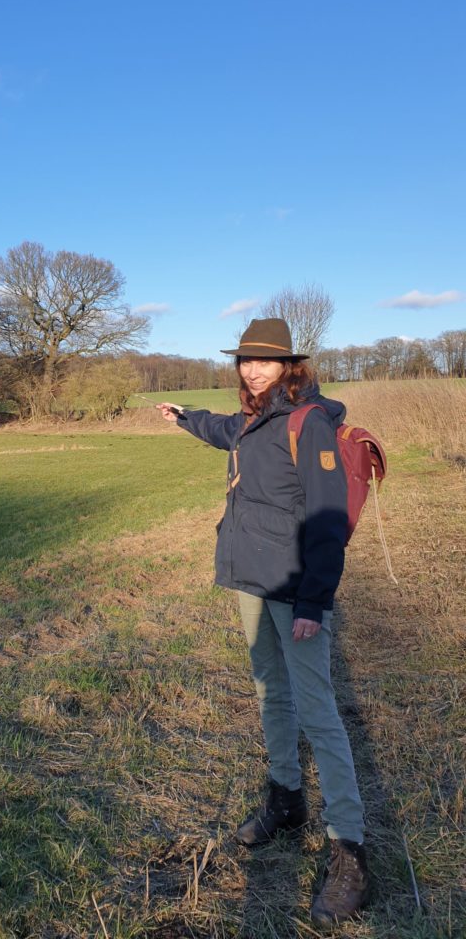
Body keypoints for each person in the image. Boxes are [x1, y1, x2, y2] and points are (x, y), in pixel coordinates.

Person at [157, 318, 369, 926]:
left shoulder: (309, 422)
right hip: (250, 577)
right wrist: (183, 415)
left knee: (318, 710)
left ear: (289, 366)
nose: (252, 369)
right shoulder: (253, 420)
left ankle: (350, 849)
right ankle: (286, 798)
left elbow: (328, 520)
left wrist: (313, 603)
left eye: (264, 361)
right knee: (269, 692)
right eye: (246, 360)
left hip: (294, 588)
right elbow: (223, 431)